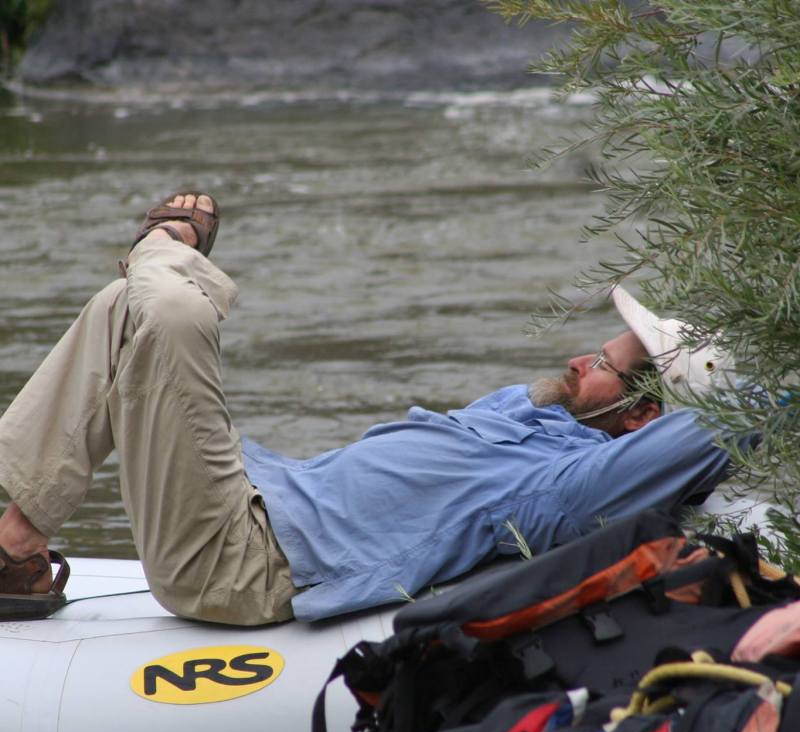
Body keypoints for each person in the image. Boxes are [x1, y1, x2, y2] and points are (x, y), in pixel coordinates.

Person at [0, 192, 739, 625]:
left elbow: (716, 427)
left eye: (605, 366)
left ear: (643, 423)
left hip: (241, 563)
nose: (580, 360)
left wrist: (756, 382)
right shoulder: (533, 417)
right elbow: (577, 400)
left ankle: (166, 249)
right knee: (122, 307)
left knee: (169, 310)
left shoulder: (561, 489)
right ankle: (16, 546)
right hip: (247, 493)